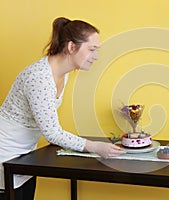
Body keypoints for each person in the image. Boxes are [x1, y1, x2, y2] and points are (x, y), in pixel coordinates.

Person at [0, 17, 126, 199]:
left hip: (25, 155)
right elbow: (52, 132)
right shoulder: (40, 78)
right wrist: (94, 146)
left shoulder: (61, 74)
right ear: (71, 47)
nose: (96, 56)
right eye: (92, 49)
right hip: (6, 152)